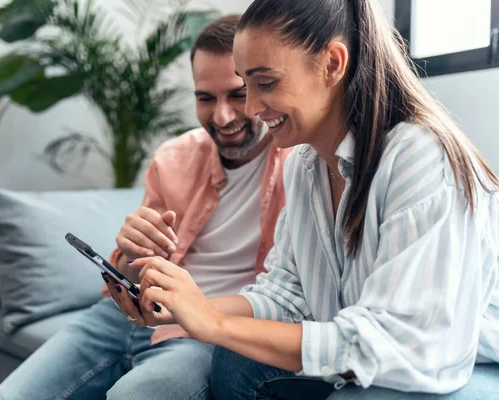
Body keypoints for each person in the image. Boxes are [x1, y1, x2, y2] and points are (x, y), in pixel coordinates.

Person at [116, 0, 499, 398]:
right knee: (235, 360)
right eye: (246, 86)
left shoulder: (420, 160)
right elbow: (288, 294)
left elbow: (402, 345)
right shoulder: (304, 164)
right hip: (386, 347)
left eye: (265, 83)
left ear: (333, 64)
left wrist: (215, 325)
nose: (250, 108)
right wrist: (188, 307)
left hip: (460, 361)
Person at [0, 14, 293, 400]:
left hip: (201, 330)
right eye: (205, 98)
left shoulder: (300, 164)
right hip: (123, 315)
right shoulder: (173, 157)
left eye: (236, 94)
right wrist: (129, 252)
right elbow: (124, 273)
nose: (222, 116)